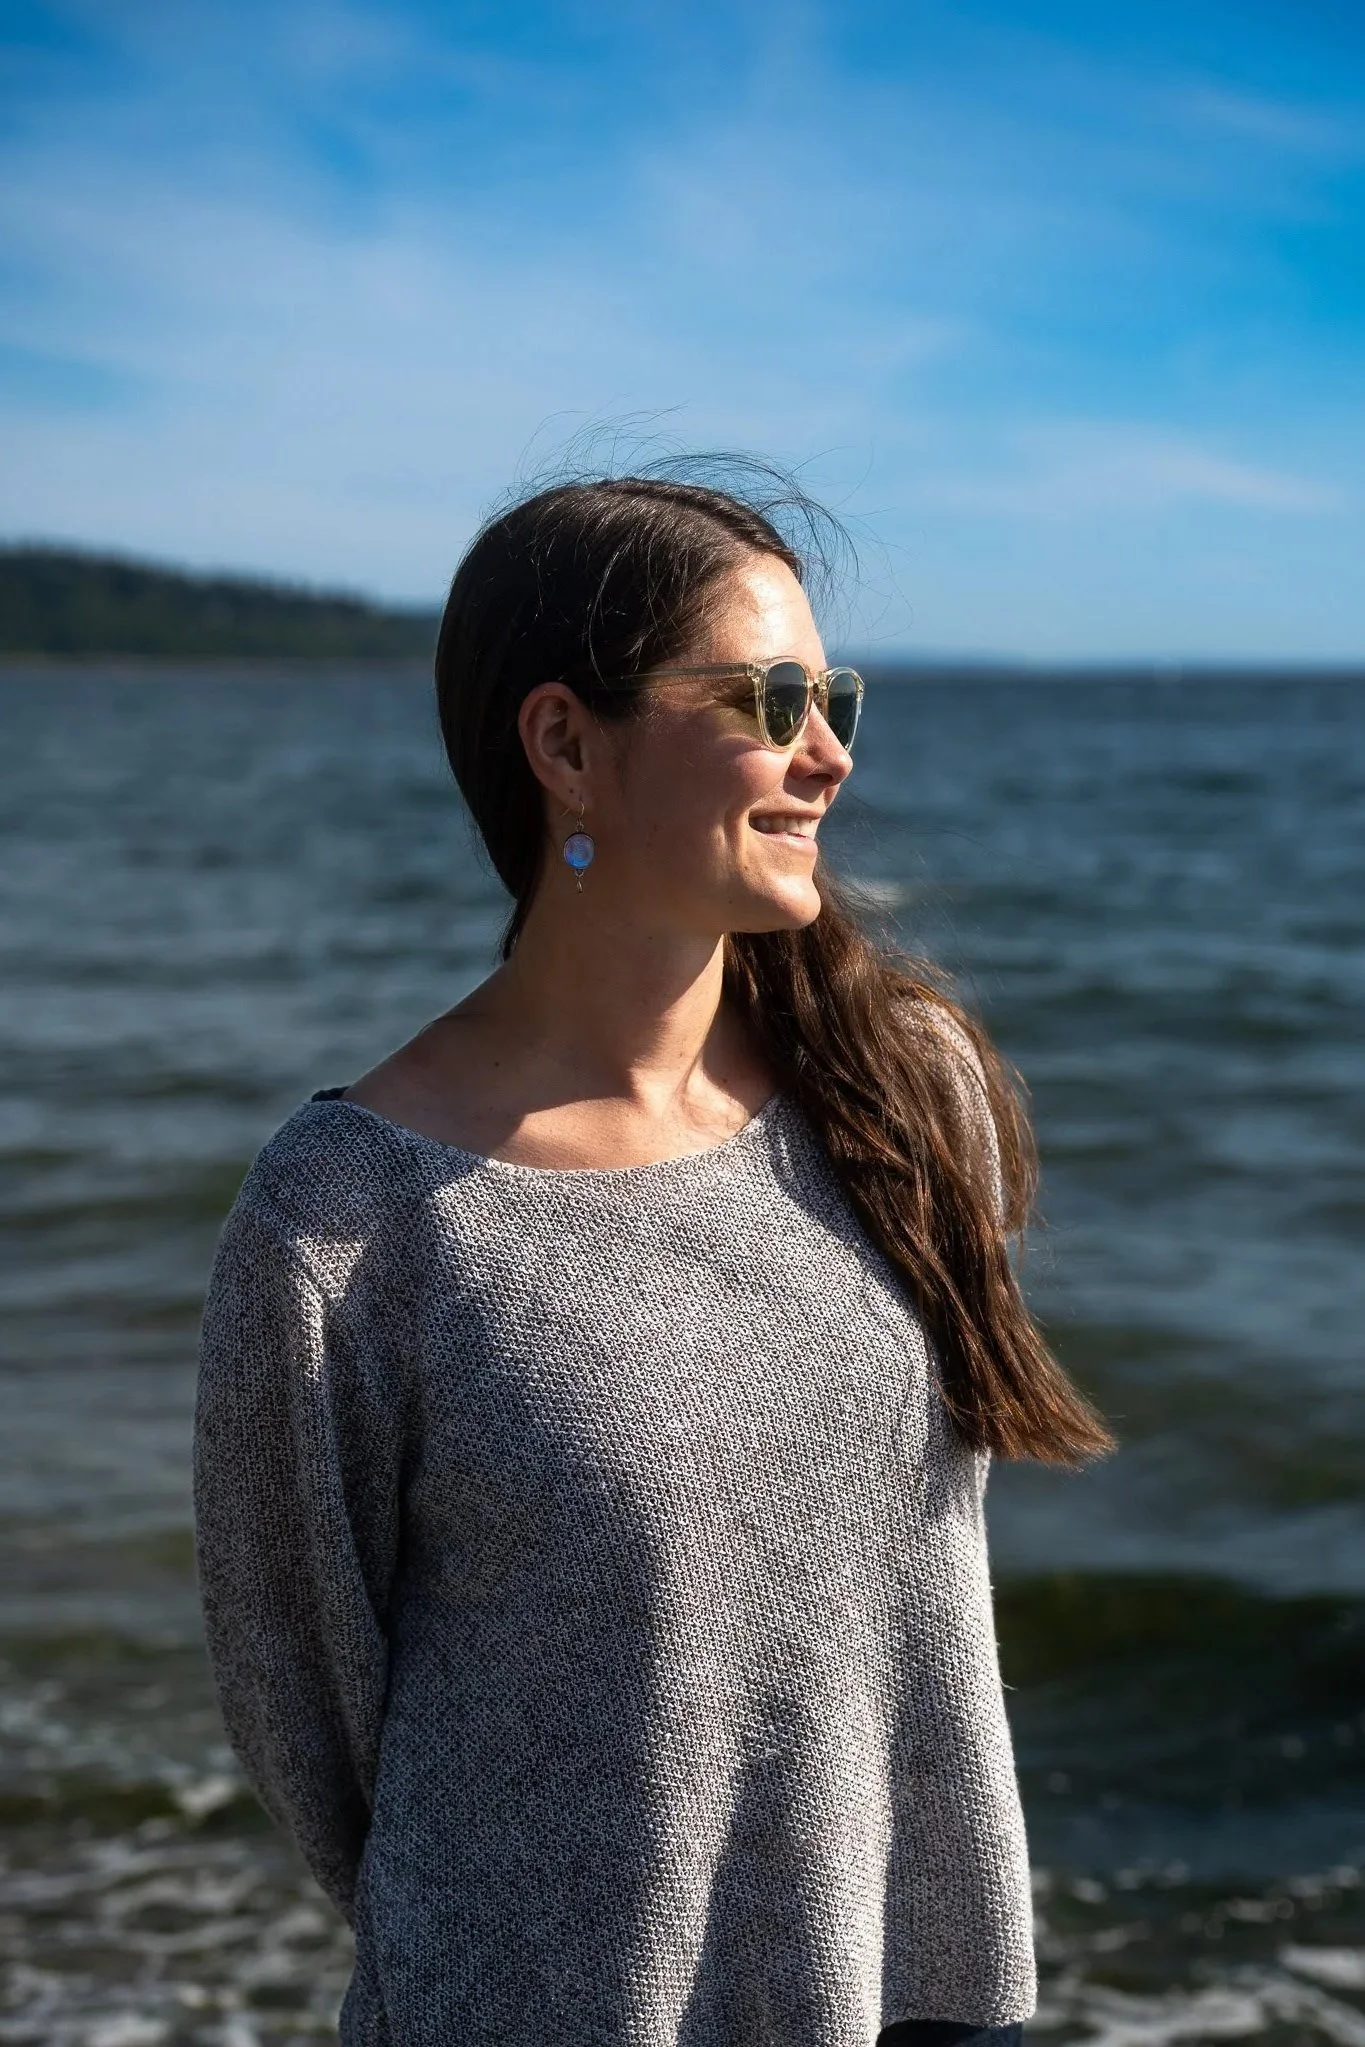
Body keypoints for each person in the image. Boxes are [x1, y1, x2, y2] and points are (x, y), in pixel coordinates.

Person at [193, 468, 1114, 2047]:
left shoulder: (906, 1093)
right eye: (770, 699)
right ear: (565, 746)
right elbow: (314, 1731)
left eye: (835, 698)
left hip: (926, 2002)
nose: (829, 753)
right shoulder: (344, 1227)